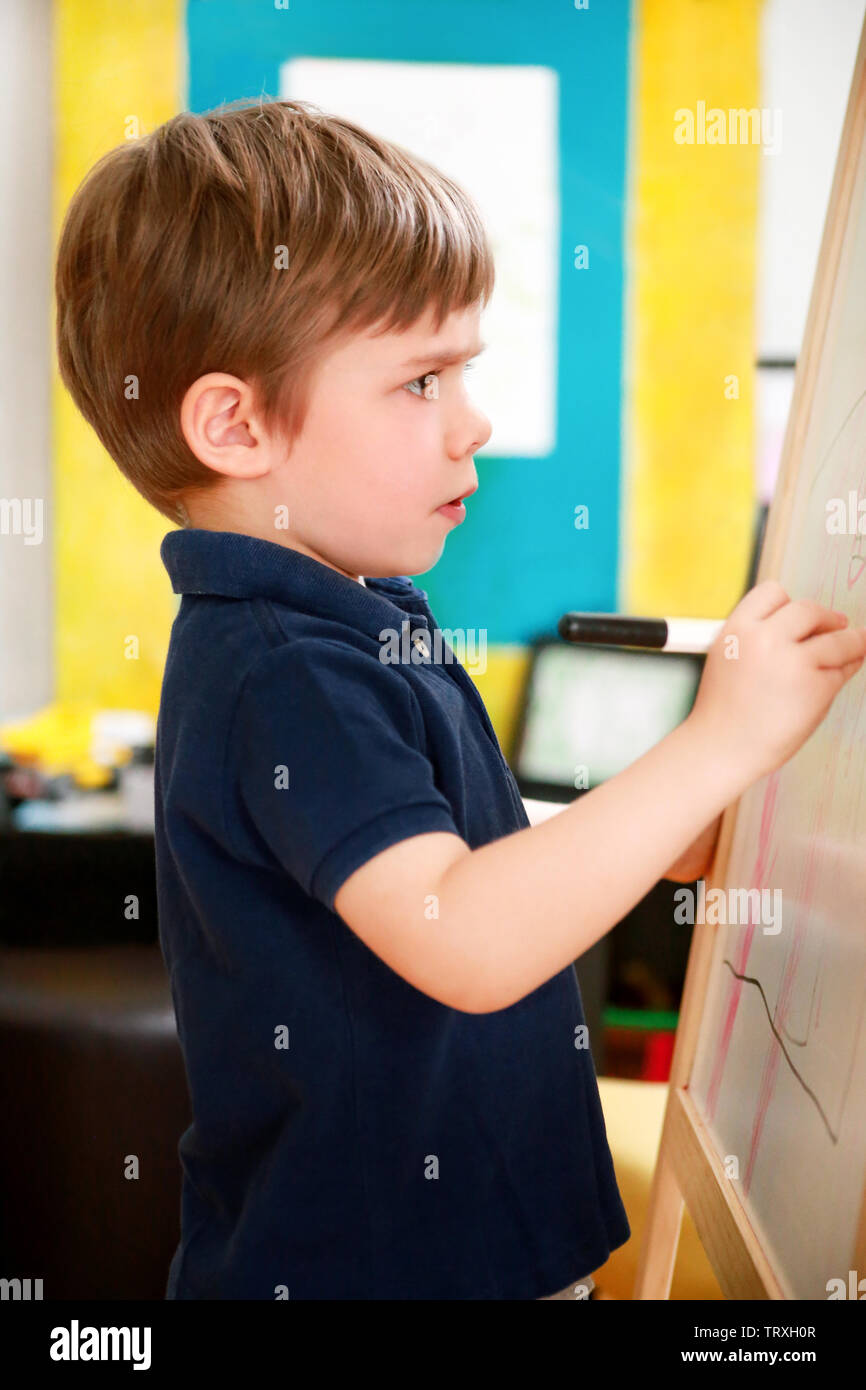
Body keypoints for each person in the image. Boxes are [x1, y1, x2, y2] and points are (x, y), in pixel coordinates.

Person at [54, 98, 866, 1300]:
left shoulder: (348, 613)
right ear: (234, 424)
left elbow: (432, 859)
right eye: (423, 378)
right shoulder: (288, 667)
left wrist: (638, 842)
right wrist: (712, 743)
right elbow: (459, 932)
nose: (471, 418)